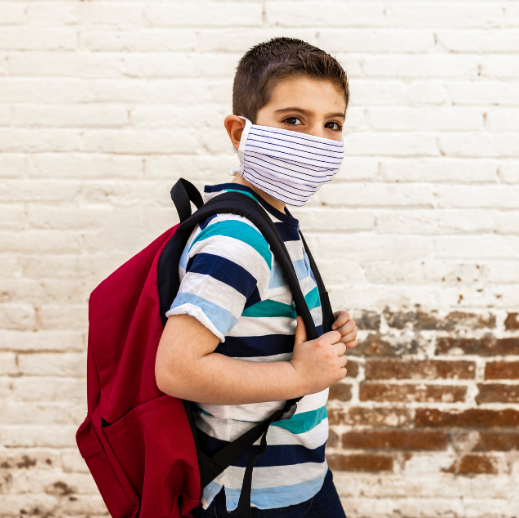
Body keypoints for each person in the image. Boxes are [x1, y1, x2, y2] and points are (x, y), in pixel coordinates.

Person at [155, 37, 358, 518]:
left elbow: (256, 321)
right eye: (293, 120)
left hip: (297, 472)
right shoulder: (240, 239)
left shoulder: (274, 221)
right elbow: (176, 369)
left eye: (332, 125)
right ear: (239, 131)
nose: (317, 140)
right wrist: (297, 374)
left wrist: (322, 330)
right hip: (250, 490)